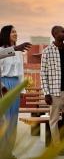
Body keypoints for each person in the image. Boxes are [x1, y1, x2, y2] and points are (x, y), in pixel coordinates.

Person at [40, 25, 64, 152]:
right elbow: (43, 74)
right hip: (54, 92)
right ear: (56, 34)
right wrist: (46, 93)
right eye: (63, 32)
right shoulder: (47, 51)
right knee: (54, 121)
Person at [0, 25, 31, 159]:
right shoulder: (1, 50)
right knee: (3, 121)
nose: (15, 33)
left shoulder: (19, 53)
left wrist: (21, 89)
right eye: (13, 31)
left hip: (15, 85)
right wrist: (1, 87)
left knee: (13, 120)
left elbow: (21, 73)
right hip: (3, 85)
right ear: (6, 34)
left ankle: (9, 151)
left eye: (16, 31)